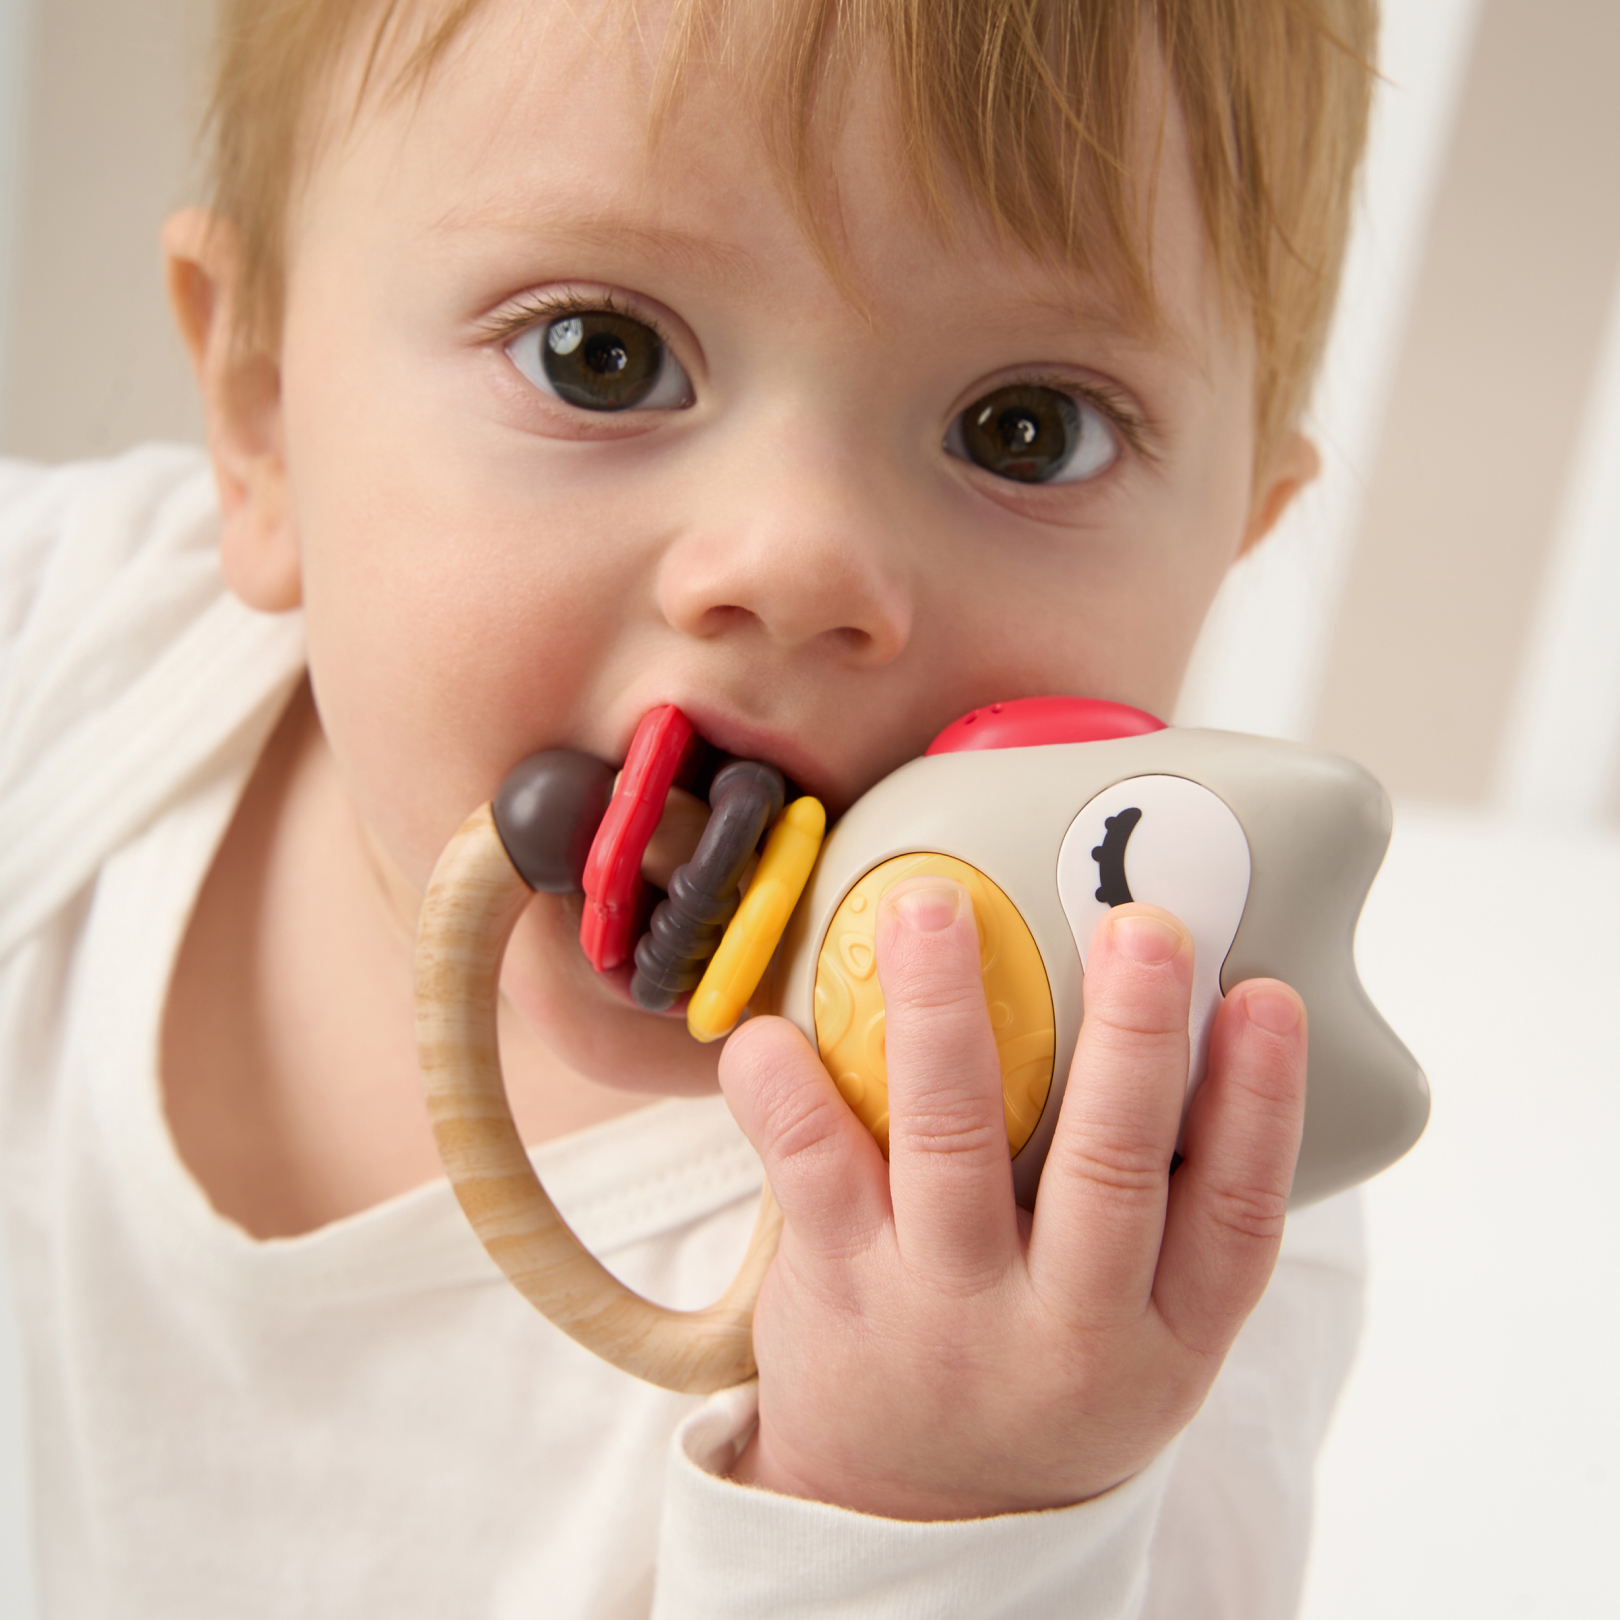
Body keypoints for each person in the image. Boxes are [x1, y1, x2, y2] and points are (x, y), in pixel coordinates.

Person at [0, 0, 1373, 1613]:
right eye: (603, 354)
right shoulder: (57, 647)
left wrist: (940, 1508)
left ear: (1234, 546)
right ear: (259, 415)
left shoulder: (1134, 1224)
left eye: (1027, 428)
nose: (796, 562)